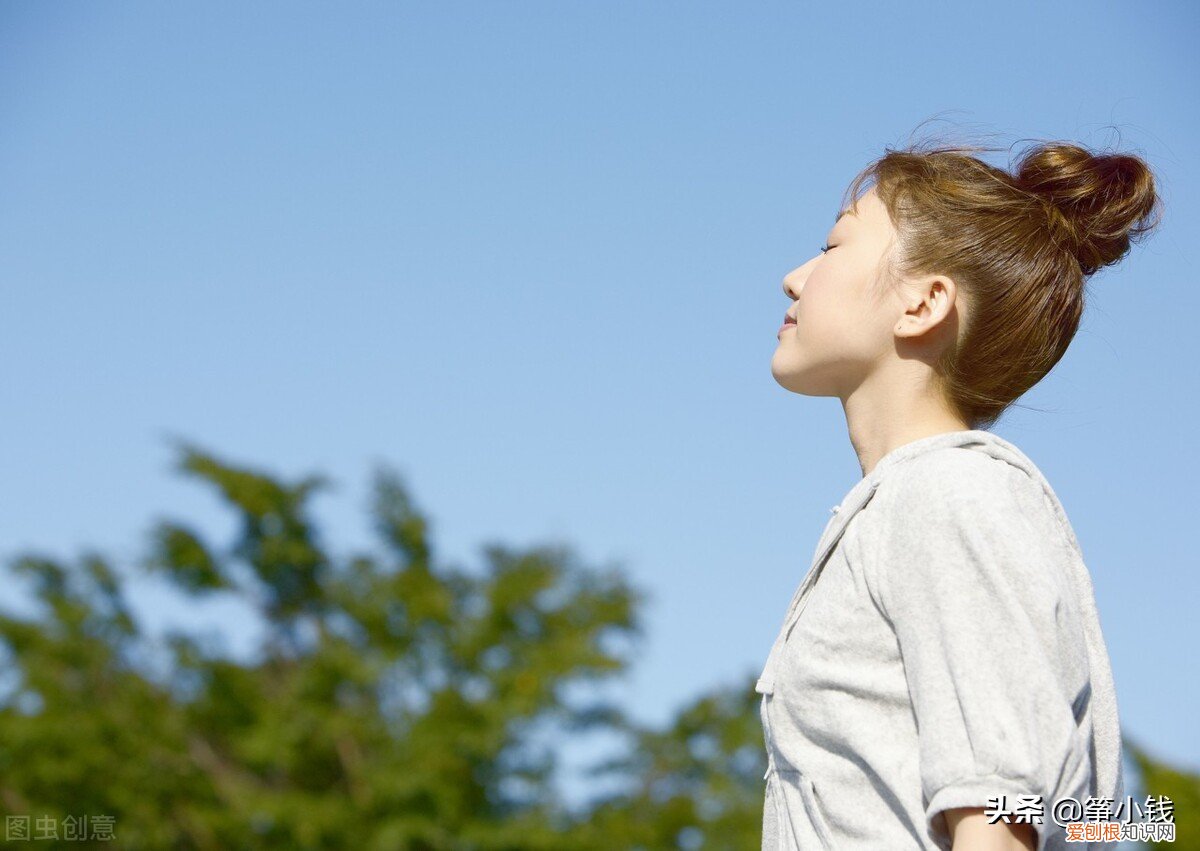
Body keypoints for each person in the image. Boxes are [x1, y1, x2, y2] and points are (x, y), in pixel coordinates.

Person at [762, 135, 1162, 850]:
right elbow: (1087, 816)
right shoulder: (919, 502)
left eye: (832, 247)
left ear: (923, 303)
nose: (794, 278)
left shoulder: (951, 493)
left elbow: (1002, 811)